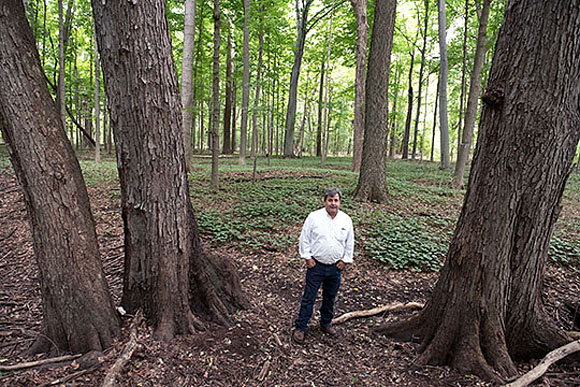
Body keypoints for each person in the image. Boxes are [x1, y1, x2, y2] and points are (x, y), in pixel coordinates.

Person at [292, 187, 354, 344]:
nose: (333, 203)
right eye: (330, 200)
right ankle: (301, 327)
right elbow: (304, 238)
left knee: (330, 297)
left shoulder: (346, 220)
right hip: (316, 266)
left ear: (340, 202)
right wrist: (307, 258)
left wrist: (345, 260)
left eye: (336, 200)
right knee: (309, 297)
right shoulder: (314, 217)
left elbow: (349, 242)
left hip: (335, 267)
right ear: (325, 201)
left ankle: (326, 323)